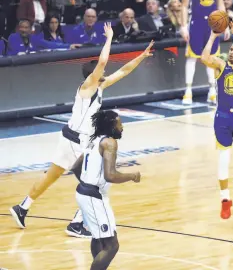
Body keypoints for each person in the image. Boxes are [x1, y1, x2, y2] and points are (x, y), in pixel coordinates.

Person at [9, 24, 154, 237]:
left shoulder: (100, 87)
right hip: (78, 142)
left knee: (51, 175)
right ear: (93, 74)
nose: (104, 71)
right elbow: (103, 61)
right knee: (96, 182)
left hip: (68, 137)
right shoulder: (88, 86)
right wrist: (109, 38)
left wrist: (142, 56)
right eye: (100, 71)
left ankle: (22, 207)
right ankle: (77, 224)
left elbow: (123, 71)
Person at [200, 20, 233, 219]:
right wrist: (213, 36)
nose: (230, 52)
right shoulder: (221, 66)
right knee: (223, 161)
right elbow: (204, 57)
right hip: (222, 118)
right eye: (229, 50)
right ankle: (225, 200)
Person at [73, 110, 141, 270]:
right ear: (111, 126)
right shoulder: (109, 143)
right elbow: (110, 175)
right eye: (119, 124)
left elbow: (76, 167)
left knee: (98, 238)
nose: (122, 127)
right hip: (94, 197)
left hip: (83, 193)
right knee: (111, 245)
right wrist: (132, 175)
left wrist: (86, 184)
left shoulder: (94, 140)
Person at [180, 0, 228, 106]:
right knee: (192, 57)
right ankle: (188, 91)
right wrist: (182, 26)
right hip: (196, 23)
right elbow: (184, 5)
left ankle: (212, 92)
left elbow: (221, 5)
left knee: (212, 57)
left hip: (212, 25)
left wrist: (225, 23)